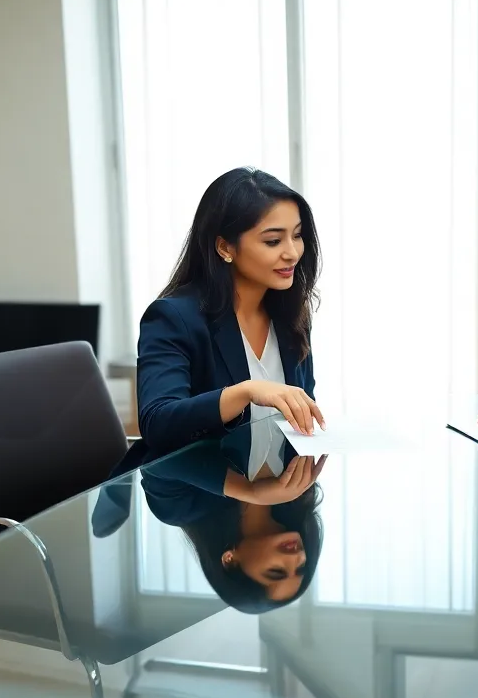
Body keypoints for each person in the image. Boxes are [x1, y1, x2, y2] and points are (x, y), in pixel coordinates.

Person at [119, 167, 327, 473]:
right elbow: (158, 422)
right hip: (193, 489)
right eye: (273, 241)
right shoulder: (173, 317)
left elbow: (300, 414)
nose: (292, 253)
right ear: (225, 247)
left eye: (297, 236)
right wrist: (246, 391)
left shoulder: (291, 313)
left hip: (278, 487)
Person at [140, 423, 326, 612]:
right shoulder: (298, 488)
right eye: (301, 567)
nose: (295, 558)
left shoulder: (178, 509)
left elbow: (155, 460)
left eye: (276, 571)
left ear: (230, 560)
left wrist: (249, 492)